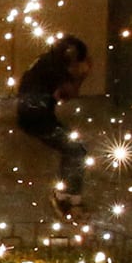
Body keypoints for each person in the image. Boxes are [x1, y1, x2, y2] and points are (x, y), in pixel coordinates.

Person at [16, 34, 92, 217]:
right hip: (36, 117)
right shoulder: (57, 69)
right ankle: (68, 199)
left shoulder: (46, 61)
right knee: (76, 150)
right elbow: (67, 94)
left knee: (74, 149)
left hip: (33, 113)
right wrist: (81, 76)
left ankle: (66, 195)